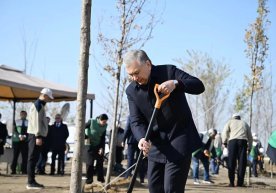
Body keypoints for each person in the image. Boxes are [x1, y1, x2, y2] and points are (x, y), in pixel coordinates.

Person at [124, 50, 205, 193]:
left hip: (179, 138)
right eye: (131, 75)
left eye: (136, 73)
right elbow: (136, 121)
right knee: (155, 189)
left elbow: (198, 85)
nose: (134, 78)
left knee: (171, 189)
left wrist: (176, 84)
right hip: (156, 146)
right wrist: (142, 138)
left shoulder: (168, 72)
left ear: (148, 64)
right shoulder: (131, 91)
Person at [26, 88, 53, 189]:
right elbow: (36, 122)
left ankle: (32, 181)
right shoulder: (38, 104)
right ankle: (30, 182)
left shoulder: (40, 104)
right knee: (32, 159)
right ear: (44, 95)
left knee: (34, 159)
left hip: (36, 135)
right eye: (48, 98)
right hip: (35, 135)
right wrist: (38, 136)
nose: (49, 100)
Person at [222, 113, 253, 187]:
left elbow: (224, 132)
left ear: (233, 117)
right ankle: (240, 183)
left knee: (231, 162)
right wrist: (250, 147)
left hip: (232, 142)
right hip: (243, 142)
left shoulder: (230, 122)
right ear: (239, 118)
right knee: (242, 163)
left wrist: (224, 142)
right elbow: (250, 136)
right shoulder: (244, 123)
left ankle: (231, 182)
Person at [84, 114, 108, 184]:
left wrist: (101, 148)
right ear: (99, 120)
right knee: (90, 163)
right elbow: (82, 128)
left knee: (100, 162)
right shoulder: (91, 122)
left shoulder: (105, 126)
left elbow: (103, 138)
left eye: (105, 122)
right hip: (89, 144)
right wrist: (85, 137)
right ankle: (89, 179)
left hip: (98, 144)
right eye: (103, 122)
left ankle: (100, 178)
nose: (104, 123)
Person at [123, 116, 147, 183]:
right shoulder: (143, 115)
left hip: (132, 141)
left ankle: (128, 176)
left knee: (130, 159)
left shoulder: (131, 116)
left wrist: (123, 139)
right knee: (140, 160)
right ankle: (141, 178)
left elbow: (127, 128)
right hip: (141, 140)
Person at [11, 110, 29, 174]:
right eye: (22, 114)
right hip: (17, 141)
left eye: (24, 114)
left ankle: (24, 170)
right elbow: (14, 130)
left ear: (26, 115)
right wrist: (20, 136)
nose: (23, 115)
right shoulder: (16, 121)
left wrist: (24, 136)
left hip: (25, 142)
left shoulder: (28, 122)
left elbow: (29, 131)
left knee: (25, 157)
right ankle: (13, 170)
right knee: (15, 156)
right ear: (20, 115)